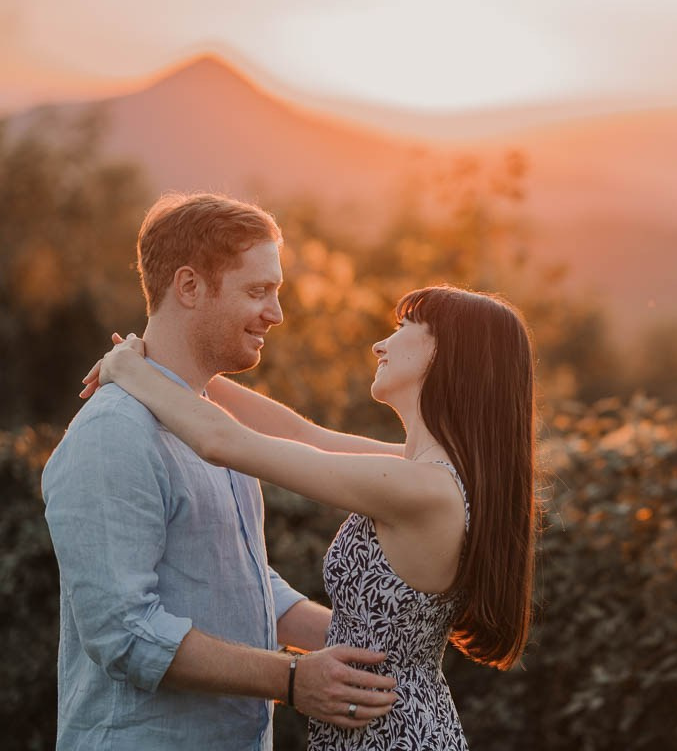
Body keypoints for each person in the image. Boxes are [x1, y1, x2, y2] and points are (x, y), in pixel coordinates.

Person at [90, 283, 538, 750]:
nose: (379, 343)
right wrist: (175, 368)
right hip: (390, 724)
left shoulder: (422, 489)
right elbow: (302, 434)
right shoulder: (427, 475)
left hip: (393, 735)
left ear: (448, 355)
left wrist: (132, 371)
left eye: (403, 326)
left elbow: (225, 443)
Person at [43, 193, 398, 750]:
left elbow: (243, 587)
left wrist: (379, 645)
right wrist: (290, 679)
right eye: (258, 291)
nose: (276, 314)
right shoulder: (114, 434)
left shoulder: (216, 424)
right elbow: (126, 634)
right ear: (189, 287)